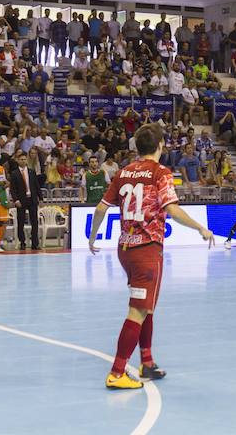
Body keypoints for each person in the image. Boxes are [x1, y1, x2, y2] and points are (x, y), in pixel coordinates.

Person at [87, 123, 215, 390]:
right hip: (146, 250)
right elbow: (172, 209)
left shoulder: (123, 172)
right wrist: (200, 227)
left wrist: (92, 236)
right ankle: (117, 371)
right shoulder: (160, 172)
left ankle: (147, 361)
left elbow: (101, 207)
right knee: (137, 310)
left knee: (148, 307)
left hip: (125, 248)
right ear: (160, 146)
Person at [9, 152, 41, 250]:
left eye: (24, 159)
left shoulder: (31, 171)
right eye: (21, 159)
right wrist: (16, 200)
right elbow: (13, 189)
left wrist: (40, 197)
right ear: (18, 161)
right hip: (21, 200)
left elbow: (36, 185)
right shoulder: (14, 173)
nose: (23, 161)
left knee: (34, 222)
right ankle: (22, 242)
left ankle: (35, 243)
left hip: (31, 199)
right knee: (21, 222)